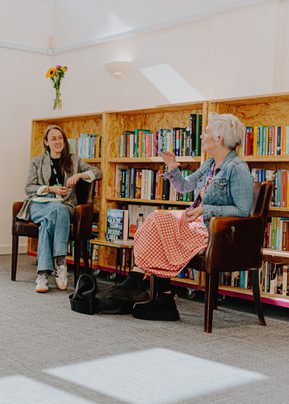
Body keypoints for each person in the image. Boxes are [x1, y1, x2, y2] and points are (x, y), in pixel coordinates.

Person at [100, 113, 254, 321]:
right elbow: (184, 187)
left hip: (215, 232)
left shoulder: (238, 169)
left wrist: (205, 210)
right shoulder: (210, 164)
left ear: (219, 139)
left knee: (161, 224)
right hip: (197, 223)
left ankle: (143, 285)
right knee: (157, 220)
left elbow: (244, 211)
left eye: (206, 132)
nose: (202, 136)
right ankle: (159, 297)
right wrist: (173, 168)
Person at [17, 125, 102, 293]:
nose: (58, 141)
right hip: (39, 204)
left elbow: (97, 172)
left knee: (51, 220)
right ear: (46, 142)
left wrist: (78, 175)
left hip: (65, 206)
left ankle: (42, 274)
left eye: (60, 138)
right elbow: (29, 188)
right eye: (53, 138)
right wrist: (50, 189)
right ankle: (61, 265)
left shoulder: (73, 160)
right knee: (56, 209)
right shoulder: (37, 161)